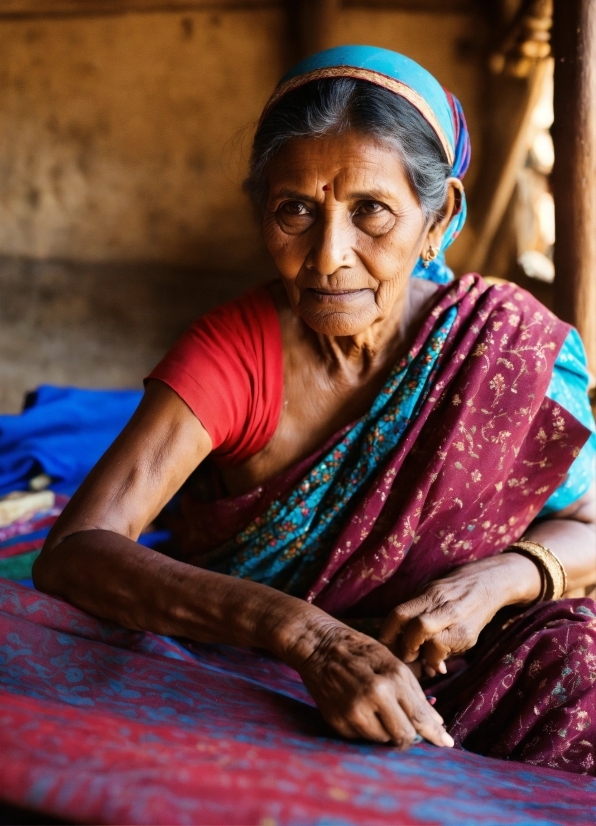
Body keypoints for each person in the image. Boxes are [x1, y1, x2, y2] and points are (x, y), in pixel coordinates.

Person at [33, 46, 596, 774]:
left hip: (466, 649)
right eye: (295, 210)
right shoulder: (234, 350)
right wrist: (310, 638)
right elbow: (79, 549)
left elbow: (588, 523)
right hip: (270, 674)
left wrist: (493, 582)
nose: (328, 256)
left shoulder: (508, 347)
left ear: (439, 218)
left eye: (372, 213)